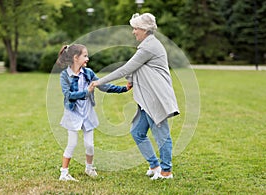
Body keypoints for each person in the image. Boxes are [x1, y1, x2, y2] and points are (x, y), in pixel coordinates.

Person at [91, 13, 180, 180]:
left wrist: (99, 81)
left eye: (135, 29)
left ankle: (166, 172)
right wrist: (131, 80)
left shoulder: (149, 46)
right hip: (146, 97)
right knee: (137, 132)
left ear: (144, 30)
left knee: (162, 135)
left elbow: (126, 68)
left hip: (155, 97)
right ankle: (155, 166)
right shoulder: (147, 45)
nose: (133, 32)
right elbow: (138, 68)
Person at [56, 44, 131, 181]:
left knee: (89, 144)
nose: (88, 58)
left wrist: (123, 89)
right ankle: (64, 173)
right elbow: (68, 95)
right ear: (75, 58)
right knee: (72, 143)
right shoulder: (65, 75)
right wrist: (87, 92)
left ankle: (89, 168)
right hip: (73, 113)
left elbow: (103, 85)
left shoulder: (88, 73)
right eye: (85, 56)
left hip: (87, 112)